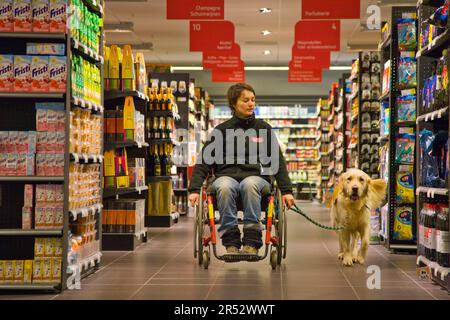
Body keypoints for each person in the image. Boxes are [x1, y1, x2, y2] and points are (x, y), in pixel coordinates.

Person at [188, 83, 295, 255]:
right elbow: (203, 162)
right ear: (233, 104)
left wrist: (287, 190)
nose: (251, 104)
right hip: (226, 177)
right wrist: (194, 189)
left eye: (253, 100)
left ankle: (252, 242)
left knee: (249, 184)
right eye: (246, 100)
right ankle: (231, 242)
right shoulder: (221, 131)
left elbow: (278, 161)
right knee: (223, 186)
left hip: (257, 179)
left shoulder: (263, 129)